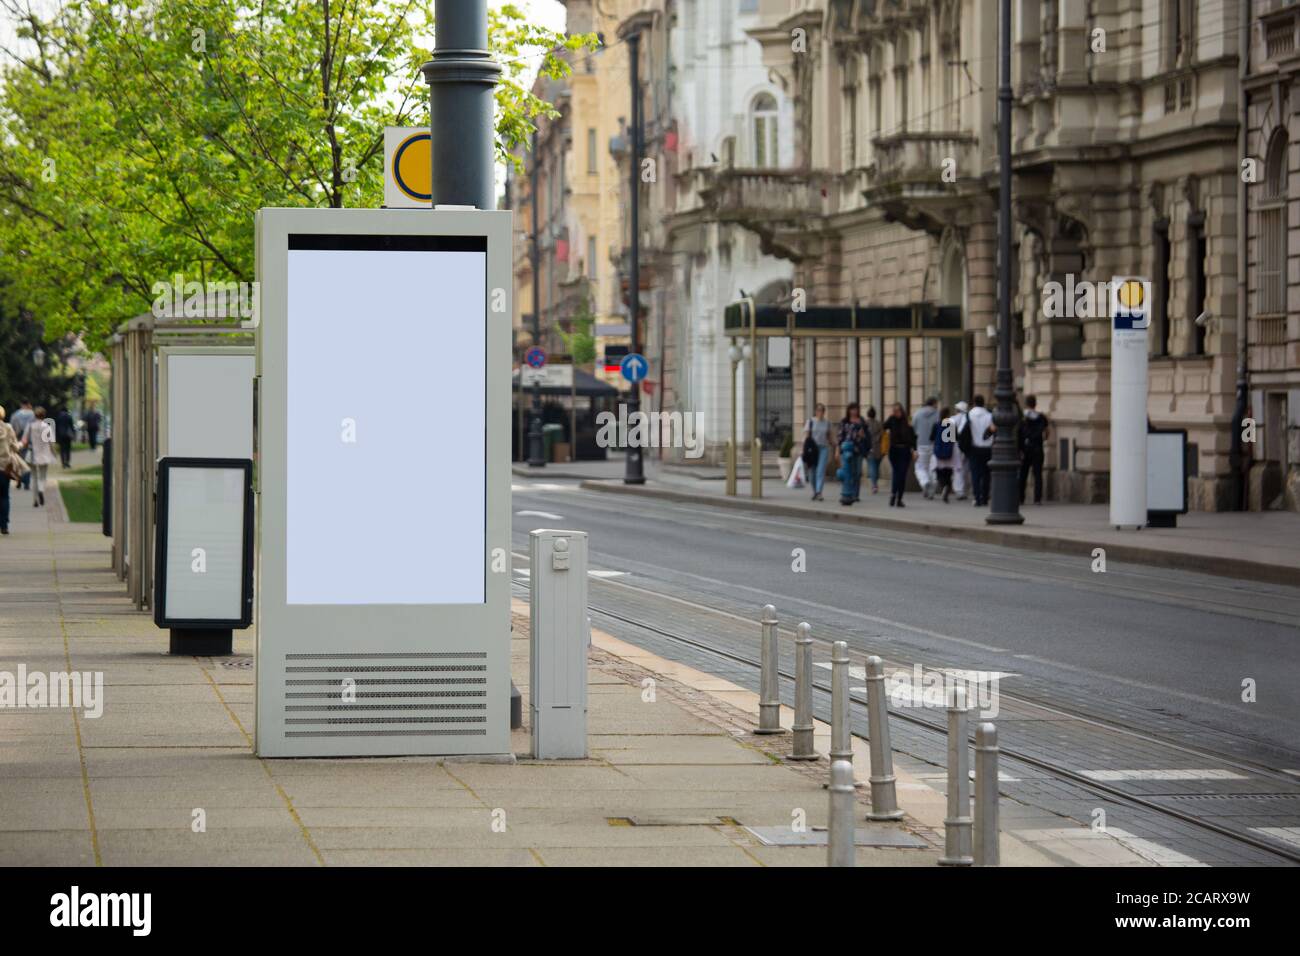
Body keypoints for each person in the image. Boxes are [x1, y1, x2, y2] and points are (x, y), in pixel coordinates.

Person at [20, 406, 57, 508]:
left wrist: (20, 448)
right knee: (42, 476)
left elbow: (24, 440)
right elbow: (51, 443)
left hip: (32, 454)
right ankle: (41, 490)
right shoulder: (47, 427)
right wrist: (54, 454)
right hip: (45, 455)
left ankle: (35, 500)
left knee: (34, 477)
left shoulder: (30, 426)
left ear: (35, 415)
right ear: (44, 415)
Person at [883, 403, 917, 507]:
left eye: (898, 410)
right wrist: (890, 417)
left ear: (902, 411)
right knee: (896, 473)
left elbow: (913, 437)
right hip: (894, 450)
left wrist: (915, 450)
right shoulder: (892, 420)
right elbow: (883, 427)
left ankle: (899, 498)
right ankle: (893, 495)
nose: (896, 413)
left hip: (905, 450)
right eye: (894, 411)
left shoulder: (907, 421)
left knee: (902, 475)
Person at [1018, 394, 1050, 505]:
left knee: (1023, 474)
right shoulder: (1041, 417)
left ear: (1026, 404)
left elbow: (1019, 434)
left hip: (1025, 448)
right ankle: (1037, 499)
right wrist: (1043, 439)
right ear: (1035, 404)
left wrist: (1019, 449)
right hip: (1037, 448)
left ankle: (1021, 497)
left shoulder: (1022, 417)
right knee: (1037, 474)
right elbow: (1047, 432)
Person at [0, 405, 26, 535]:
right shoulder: (8, 428)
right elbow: (15, 447)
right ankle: (4, 525)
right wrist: (22, 443)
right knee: (4, 496)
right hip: (5, 467)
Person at [836, 403, 869, 506]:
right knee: (848, 472)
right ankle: (848, 493)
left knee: (857, 472)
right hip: (846, 450)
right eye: (852, 409)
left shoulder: (862, 421)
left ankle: (855, 494)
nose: (854, 412)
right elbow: (840, 436)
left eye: (855, 409)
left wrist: (863, 435)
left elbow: (867, 436)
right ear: (849, 410)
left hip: (858, 449)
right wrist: (838, 450)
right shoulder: (844, 421)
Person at [965, 394, 995, 507]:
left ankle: (977, 497)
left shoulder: (969, 415)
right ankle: (985, 497)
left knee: (975, 474)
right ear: (983, 403)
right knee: (986, 474)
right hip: (988, 448)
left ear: (974, 403)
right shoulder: (990, 415)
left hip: (974, 448)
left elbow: (962, 431)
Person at [912, 396, 940, 499]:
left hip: (920, 444)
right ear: (934, 403)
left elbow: (913, 430)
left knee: (920, 467)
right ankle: (931, 490)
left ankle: (925, 482)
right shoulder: (938, 414)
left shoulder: (917, 414)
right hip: (934, 445)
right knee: (932, 468)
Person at [803, 403, 832, 501]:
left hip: (823, 448)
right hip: (812, 449)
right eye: (818, 410)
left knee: (821, 470)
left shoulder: (827, 423)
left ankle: (819, 492)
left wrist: (836, 445)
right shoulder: (810, 421)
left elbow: (829, 436)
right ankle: (815, 491)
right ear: (815, 411)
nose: (820, 412)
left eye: (822, 410)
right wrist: (804, 451)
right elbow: (807, 437)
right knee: (812, 472)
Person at [931, 407, 957, 503]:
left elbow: (931, 438)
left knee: (939, 472)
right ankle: (947, 487)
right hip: (949, 452)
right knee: (948, 473)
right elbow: (955, 439)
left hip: (938, 452)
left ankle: (943, 486)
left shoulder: (936, 425)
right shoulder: (951, 425)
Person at [9, 400, 34, 491]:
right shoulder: (33, 415)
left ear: (21, 404)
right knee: (28, 462)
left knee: (18, 462)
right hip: (30, 442)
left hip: (18, 441)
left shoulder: (15, 415)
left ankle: (19, 480)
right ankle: (27, 482)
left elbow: (12, 429)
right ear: (28, 404)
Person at [950, 400, 970, 500]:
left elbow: (949, 437)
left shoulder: (952, 419)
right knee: (966, 468)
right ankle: (965, 489)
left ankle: (959, 490)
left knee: (957, 468)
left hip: (956, 446)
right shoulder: (968, 419)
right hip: (968, 447)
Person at [864, 406, 884, 494]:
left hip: (869, 448)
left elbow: (863, 436)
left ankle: (874, 485)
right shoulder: (879, 423)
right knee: (876, 466)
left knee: (872, 466)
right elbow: (882, 434)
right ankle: (875, 483)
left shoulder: (865, 424)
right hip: (878, 448)